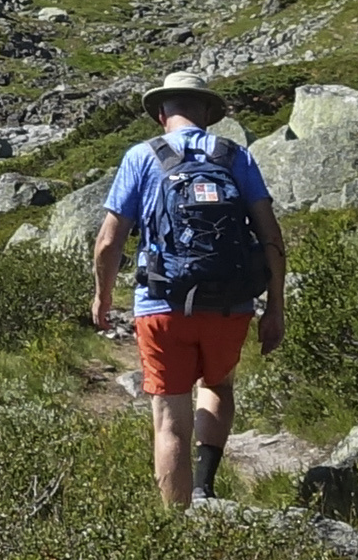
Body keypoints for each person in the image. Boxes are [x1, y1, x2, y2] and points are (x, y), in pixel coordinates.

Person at [87, 74, 284, 509]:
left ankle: (176, 527)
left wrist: (102, 296)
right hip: (231, 303)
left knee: (169, 420)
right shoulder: (237, 158)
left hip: (161, 304)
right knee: (219, 383)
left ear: (161, 114)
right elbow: (271, 238)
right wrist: (275, 308)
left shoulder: (141, 156)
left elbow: (108, 241)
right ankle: (203, 486)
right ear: (208, 117)